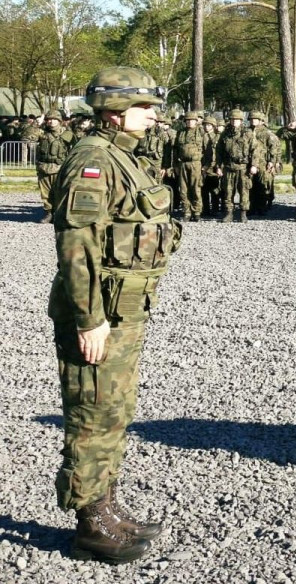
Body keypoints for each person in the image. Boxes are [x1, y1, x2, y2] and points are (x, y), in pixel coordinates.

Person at [48, 66, 182, 563]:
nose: (153, 114)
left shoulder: (125, 158)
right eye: (144, 106)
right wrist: (89, 320)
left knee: (115, 410)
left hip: (125, 310)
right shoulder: (93, 161)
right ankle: (89, 525)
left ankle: (107, 508)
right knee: (92, 414)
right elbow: (76, 246)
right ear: (113, 111)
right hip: (100, 314)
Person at [215, 109, 259, 223]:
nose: (234, 121)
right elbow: (219, 151)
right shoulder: (225, 134)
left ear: (241, 120)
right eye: (232, 119)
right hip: (229, 167)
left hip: (243, 168)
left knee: (244, 191)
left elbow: (255, 150)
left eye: (237, 120)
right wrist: (218, 166)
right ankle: (229, 213)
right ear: (229, 120)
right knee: (228, 192)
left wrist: (254, 165)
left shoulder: (247, 133)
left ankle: (243, 213)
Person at [36, 110, 75, 223]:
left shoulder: (67, 134)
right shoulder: (41, 132)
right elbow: (28, 136)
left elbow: (75, 147)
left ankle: (58, 213)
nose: (51, 122)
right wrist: (36, 123)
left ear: (59, 121)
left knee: (60, 192)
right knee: (45, 193)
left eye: (54, 119)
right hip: (44, 167)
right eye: (49, 119)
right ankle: (48, 213)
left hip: (60, 168)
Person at [173, 111, 205, 221]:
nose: (189, 122)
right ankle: (186, 211)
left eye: (192, 120)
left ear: (196, 121)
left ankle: (196, 212)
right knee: (183, 189)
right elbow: (176, 150)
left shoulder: (201, 132)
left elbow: (207, 150)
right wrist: (176, 165)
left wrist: (205, 166)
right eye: (187, 120)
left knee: (196, 188)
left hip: (196, 163)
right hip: (183, 164)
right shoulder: (180, 133)